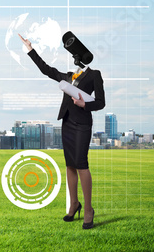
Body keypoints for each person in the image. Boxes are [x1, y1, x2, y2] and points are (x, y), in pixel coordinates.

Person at [19, 33, 105, 229]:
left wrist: (84, 104)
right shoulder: (67, 76)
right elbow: (46, 70)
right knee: (70, 165)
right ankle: (74, 204)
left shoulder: (95, 75)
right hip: (67, 124)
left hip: (82, 125)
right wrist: (30, 49)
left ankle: (89, 210)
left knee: (82, 164)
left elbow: (101, 102)